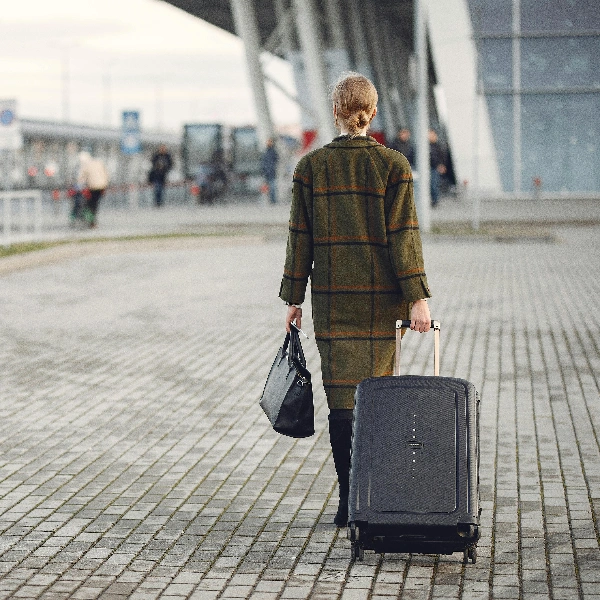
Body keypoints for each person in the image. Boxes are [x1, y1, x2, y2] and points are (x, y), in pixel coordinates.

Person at [279, 73, 432, 528]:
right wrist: (417, 300)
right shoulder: (394, 166)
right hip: (381, 303)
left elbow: (298, 239)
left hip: (332, 301)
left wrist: (293, 297)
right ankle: (372, 495)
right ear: (374, 111)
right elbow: (405, 239)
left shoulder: (310, 167)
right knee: (376, 398)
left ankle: (348, 499)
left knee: (341, 400)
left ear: (335, 113)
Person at [77, 151, 108, 228]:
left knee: (90, 204)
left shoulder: (85, 165)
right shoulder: (98, 162)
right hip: (101, 186)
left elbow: (81, 177)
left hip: (92, 187)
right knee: (95, 203)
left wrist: (78, 185)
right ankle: (92, 221)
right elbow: (105, 173)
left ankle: (91, 221)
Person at [429, 129, 447, 208]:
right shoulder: (425, 146)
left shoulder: (438, 146)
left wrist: (441, 165)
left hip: (435, 168)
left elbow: (442, 157)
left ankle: (435, 200)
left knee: (434, 184)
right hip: (428, 168)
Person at [261, 138, 279, 204]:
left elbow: (275, 160)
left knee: (272, 186)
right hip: (267, 172)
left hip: (271, 171)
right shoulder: (266, 151)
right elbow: (263, 162)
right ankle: (270, 200)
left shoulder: (273, 151)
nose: (268, 143)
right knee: (269, 186)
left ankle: (273, 200)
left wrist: (271, 167)